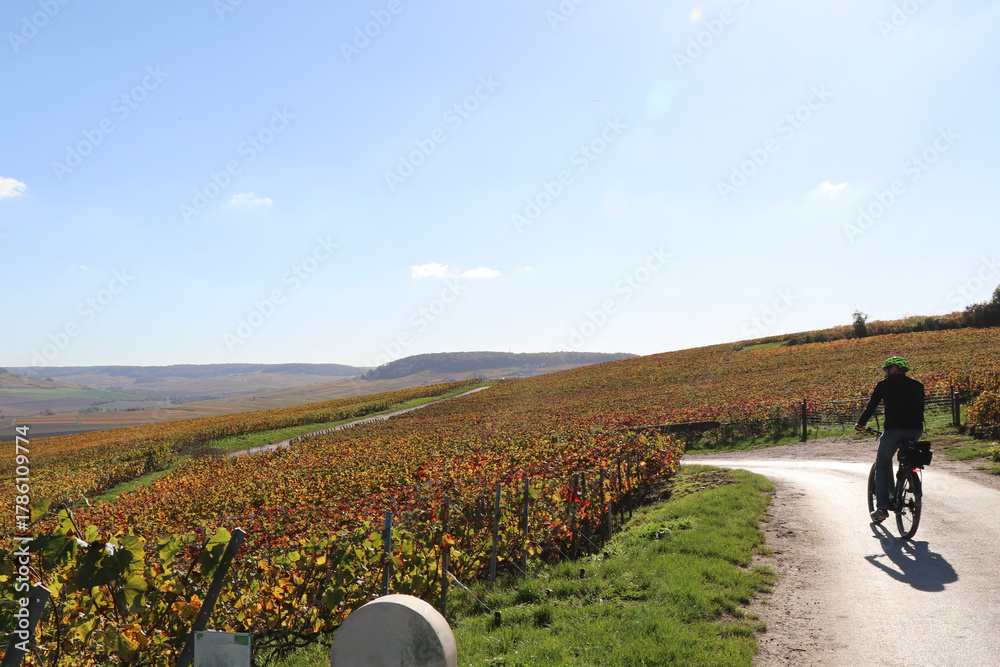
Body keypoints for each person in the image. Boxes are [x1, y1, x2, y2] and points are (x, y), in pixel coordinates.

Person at [855, 356, 924, 522]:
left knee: (883, 463)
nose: (885, 373)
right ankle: (906, 477)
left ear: (894, 368)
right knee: (907, 458)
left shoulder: (883, 385)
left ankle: (882, 508)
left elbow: (871, 406)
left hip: (893, 431)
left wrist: (861, 424)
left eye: (886, 370)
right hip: (916, 430)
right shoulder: (918, 385)